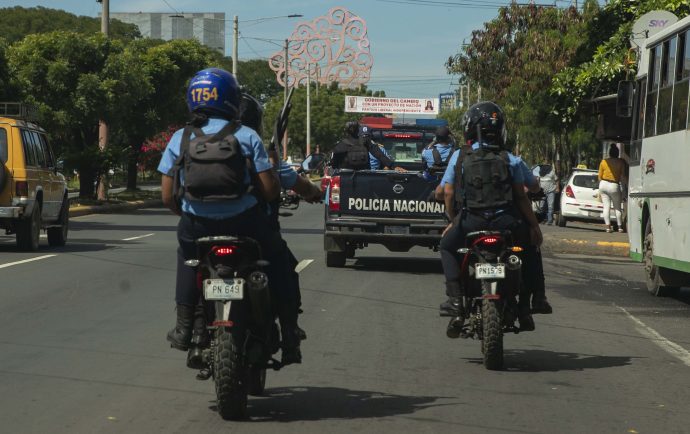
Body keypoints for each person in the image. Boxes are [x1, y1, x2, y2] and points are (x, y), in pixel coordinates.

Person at [157, 68, 301, 366]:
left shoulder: (181, 138)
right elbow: (270, 189)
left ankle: (185, 328)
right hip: (245, 223)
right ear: (231, 99)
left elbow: (167, 195)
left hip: (196, 226)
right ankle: (289, 332)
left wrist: (187, 212)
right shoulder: (246, 135)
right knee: (278, 259)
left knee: (187, 258)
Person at [437, 101, 543, 333]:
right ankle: (530, 304)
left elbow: (447, 192)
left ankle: (455, 300)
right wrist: (535, 227)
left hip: (470, 222)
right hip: (506, 223)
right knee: (531, 248)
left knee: (446, 246)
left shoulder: (459, 157)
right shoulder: (510, 159)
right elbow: (526, 194)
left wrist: (454, 220)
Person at [597, 144, 626, 233]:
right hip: (614, 185)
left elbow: (599, 176)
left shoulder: (604, 162)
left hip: (603, 184)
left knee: (606, 207)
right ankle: (620, 227)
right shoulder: (620, 162)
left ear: (609, 153)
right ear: (617, 153)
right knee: (617, 207)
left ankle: (608, 227)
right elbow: (623, 176)